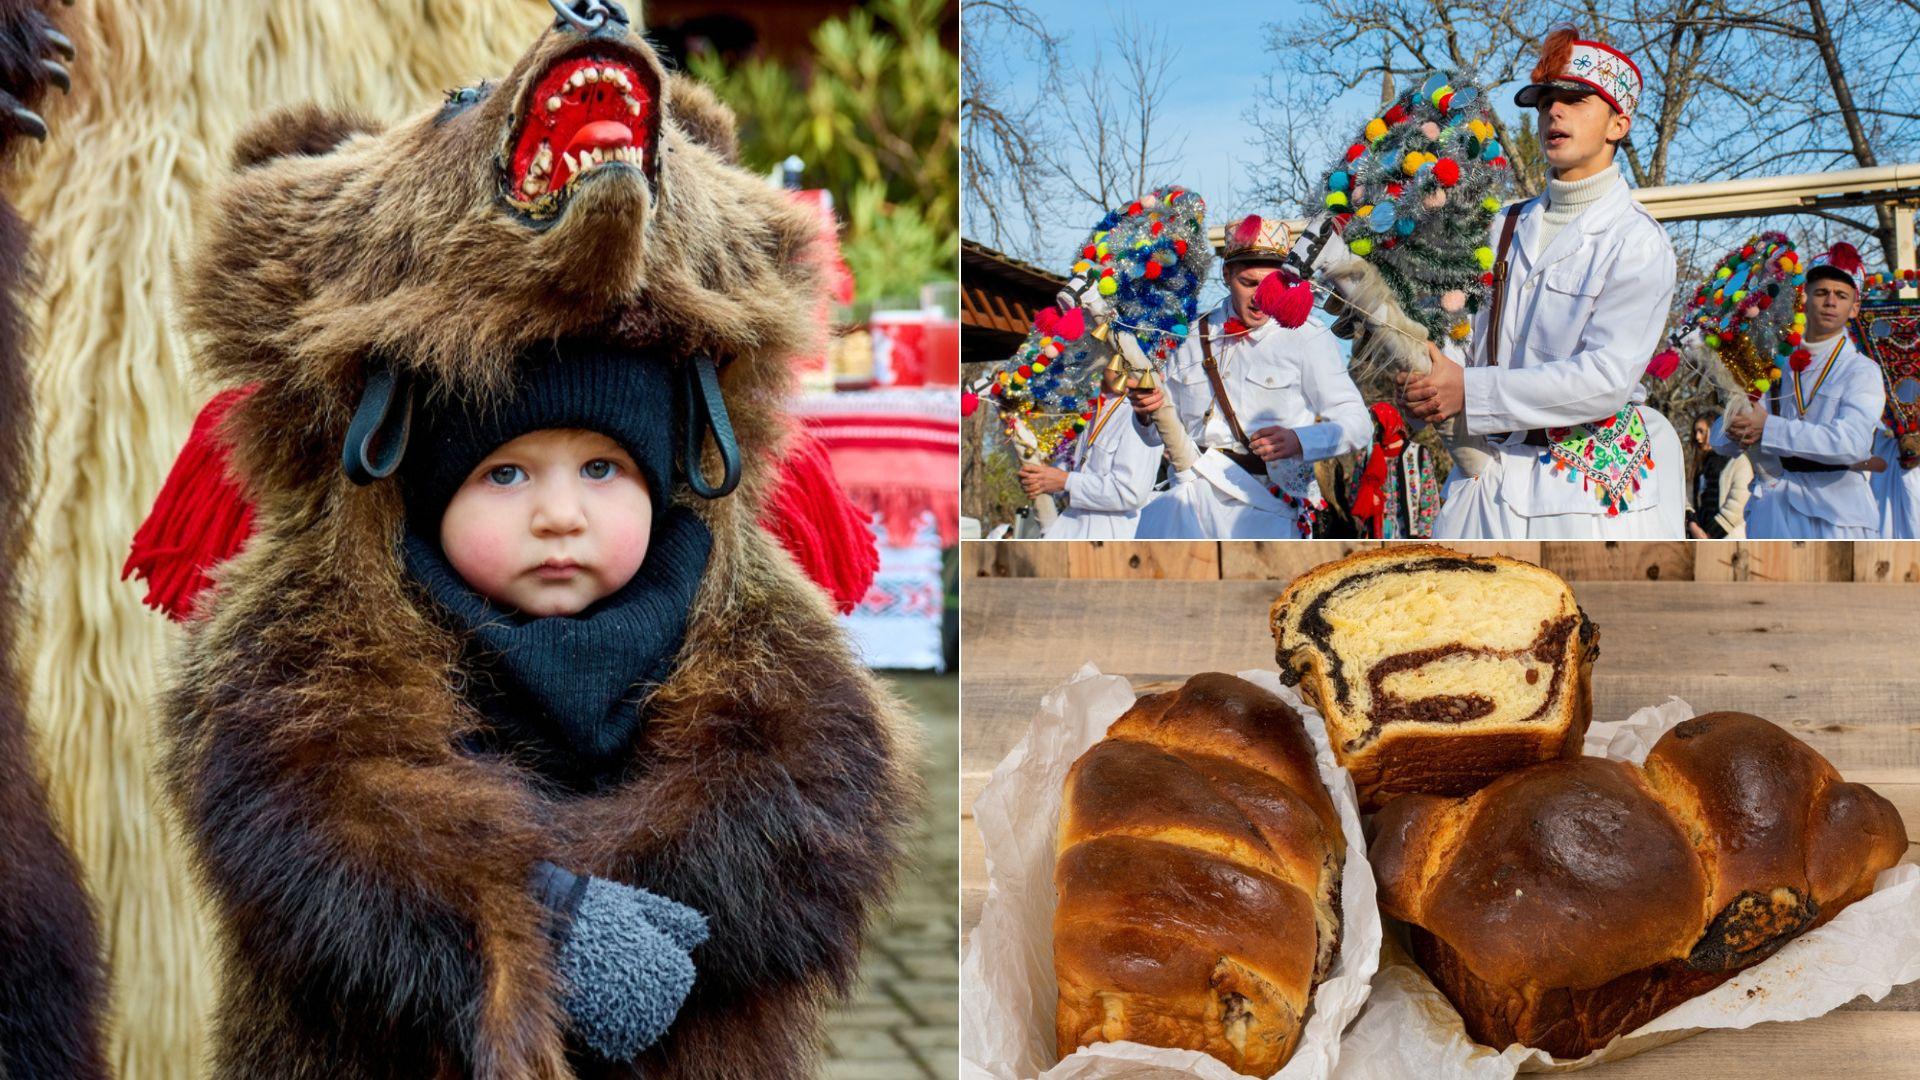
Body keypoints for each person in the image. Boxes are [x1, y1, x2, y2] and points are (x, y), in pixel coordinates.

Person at [1402, 29, 1685, 539]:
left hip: (1580, 496)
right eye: (1546, 102)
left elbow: (1605, 378)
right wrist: (1429, 380)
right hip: (1482, 480)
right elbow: (1458, 337)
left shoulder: (1637, 242)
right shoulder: (1497, 225)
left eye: (1576, 101)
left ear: (1618, 124)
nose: (1554, 113)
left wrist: (1467, 388)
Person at [1129, 214, 1370, 538]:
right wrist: (1144, 415)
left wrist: (1300, 441)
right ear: (1227, 275)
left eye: (1271, 284)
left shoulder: (1306, 336)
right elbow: (1154, 437)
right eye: (1249, 283)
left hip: (1268, 509)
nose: (1260, 297)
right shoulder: (1189, 338)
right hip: (1191, 506)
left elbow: (1358, 425)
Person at [1711, 244, 1883, 538]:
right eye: (1821, 292)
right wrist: (1736, 425)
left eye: (1841, 296)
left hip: (1836, 519)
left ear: (1854, 308)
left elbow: (1852, 443)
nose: (1830, 301)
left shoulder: (1861, 370)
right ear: (1804, 299)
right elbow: (1719, 441)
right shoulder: (1775, 362)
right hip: (1774, 512)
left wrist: (1769, 429)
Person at [1019, 388, 1161, 538]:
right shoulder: (1093, 406)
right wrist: (1040, 478)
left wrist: (1066, 481)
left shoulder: (1140, 408)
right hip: (1070, 530)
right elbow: (1076, 470)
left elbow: (1131, 492)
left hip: (1111, 538)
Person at [1688, 411, 1752, 538]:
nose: (1697, 438)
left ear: (1715, 431)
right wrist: (1692, 524)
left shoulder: (1737, 461)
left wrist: (1711, 533)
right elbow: (1690, 499)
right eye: (1695, 432)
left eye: (1702, 431)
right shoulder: (1700, 466)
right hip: (1701, 537)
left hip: (1731, 538)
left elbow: (1739, 502)